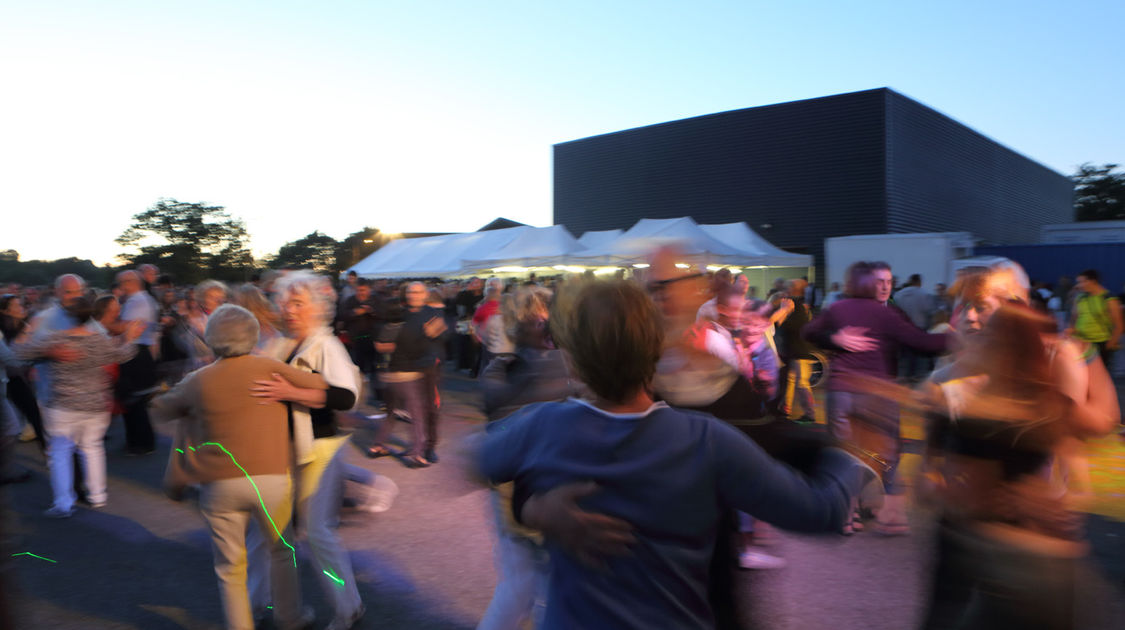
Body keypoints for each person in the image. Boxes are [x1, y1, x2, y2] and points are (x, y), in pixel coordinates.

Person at [478, 280, 876, 630]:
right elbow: (820, 512)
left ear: (574, 362)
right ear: (656, 345)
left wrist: (533, 510)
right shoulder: (706, 441)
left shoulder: (543, 425)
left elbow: (475, 461)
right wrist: (855, 455)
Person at [151, 304, 323, 630]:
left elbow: (161, 409)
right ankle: (290, 617)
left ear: (211, 338)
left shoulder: (197, 379)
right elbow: (318, 386)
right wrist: (287, 392)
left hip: (219, 484)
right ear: (253, 335)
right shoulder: (269, 366)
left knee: (230, 566)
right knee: (282, 552)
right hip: (272, 479)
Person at [804, 261, 950, 535]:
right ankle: (888, 515)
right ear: (869, 284)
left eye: (888, 281)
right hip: (875, 392)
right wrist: (959, 338)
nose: (884, 286)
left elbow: (809, 332)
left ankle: (850, 515)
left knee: (847, 454)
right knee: (886, 451)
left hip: (843, 390)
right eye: (879, 281)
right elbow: (921, 342)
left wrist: (835, 337)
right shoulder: (884, 314)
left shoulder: (839, 308)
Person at [478, 285, 581, 630]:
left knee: (546, 585)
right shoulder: (503, 370)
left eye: (548, 318)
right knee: (521, 584)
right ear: (518, 326)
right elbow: (502, 420)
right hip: (515, 491)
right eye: (537, 319)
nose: (546, 324)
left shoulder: (564, 363)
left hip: (557, 486)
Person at [14, 295, 142, 516]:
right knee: (92, 448)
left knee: (60, 453)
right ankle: (97, 496)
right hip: (96, 404)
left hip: (62, 405)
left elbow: (18, 352)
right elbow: (122, 354)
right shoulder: (98, 340)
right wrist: (130, 338)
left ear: (68, 316)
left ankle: (63, 503)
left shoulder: (55, 340)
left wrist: (30, 331)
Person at [368, 281, 447, 467]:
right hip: (407, 371)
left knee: (430, 409)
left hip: (428, 368)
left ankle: (429, 448)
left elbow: (445, 336)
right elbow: (386, 338)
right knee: (410, 411)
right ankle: (415, 448)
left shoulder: (433, 313)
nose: (414, 295)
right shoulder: (402, 314)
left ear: (425, 294)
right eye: (411, 292)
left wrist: (436, 332)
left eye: (418, 292)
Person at [114, 270, 160, 455]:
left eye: (121, 283)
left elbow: (127, 327)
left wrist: (105, 323)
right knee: (133, 399)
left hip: (135, 352)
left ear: (130, 282)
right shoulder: (141, 300)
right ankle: (137, 441)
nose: (119, 287)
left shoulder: (137, 301)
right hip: (137, 351)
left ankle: (141, 443)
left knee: (134, 399)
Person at [776, 278, 817, 423]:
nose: (784, 291)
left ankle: (810, 414)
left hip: (800, 352)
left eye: (786, 288)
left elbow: (791, 326)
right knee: (792, 382)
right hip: (795, 351)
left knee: (802, 384)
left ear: (792, 290)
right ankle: (784, 410)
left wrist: (781, 318)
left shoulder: (796, 306)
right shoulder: (796, 305)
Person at [1066, 268, 1123, 369]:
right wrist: (1071, 330)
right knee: (1081, 374)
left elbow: (1119, 325)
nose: (1079, 285)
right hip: (1081, 341)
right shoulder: (1080, 298)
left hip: (1100, 343)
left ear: (1092, 281)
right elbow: (1074, 317)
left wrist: (1110, 345)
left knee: (1099, 376)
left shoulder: (1108, 298)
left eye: (1081, 282)